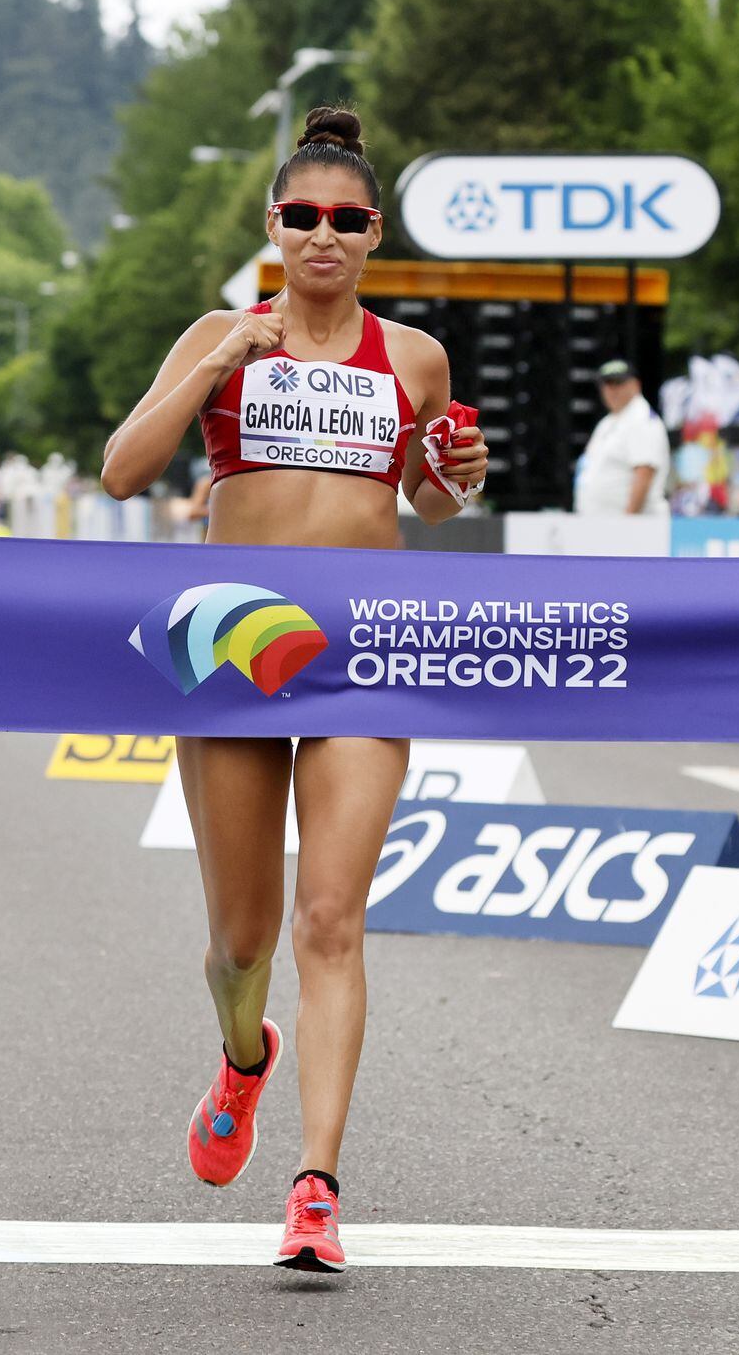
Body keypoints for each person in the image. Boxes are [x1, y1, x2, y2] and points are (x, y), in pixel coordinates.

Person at [99, 106, 487, 1274]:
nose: (325, 234)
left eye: (347, 219)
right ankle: (242, 1055)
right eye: (303, 216)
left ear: (373, 235)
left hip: (362, 652)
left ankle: (315, 1187)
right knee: (242, 941)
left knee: (331, 919)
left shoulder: (413, 357)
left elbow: (429, 506)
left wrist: (454, 477)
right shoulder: (224, 331)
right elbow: (123, 469)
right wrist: (217, 364)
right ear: (274, 226)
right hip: (228, 651)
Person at [573, 358, 669, 516]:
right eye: (607, 384)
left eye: (618, 383)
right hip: (603, 526)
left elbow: (644, 473)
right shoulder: (608, 422)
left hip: (631, 530)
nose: (612, 390)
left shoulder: (641, 419)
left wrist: (627, 523)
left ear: (636, 385)